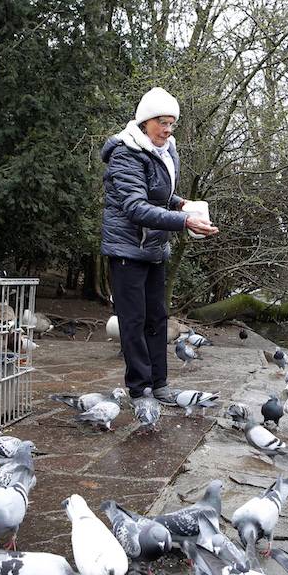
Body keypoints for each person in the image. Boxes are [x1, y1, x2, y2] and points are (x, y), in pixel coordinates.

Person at [100, 87, 218, 405]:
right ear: (145, 121)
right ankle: (139, 389)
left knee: (158, 318)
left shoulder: (166, 150)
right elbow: (136, 206)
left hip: (154, 248)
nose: (167, 129)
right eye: (162, 123)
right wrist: (184, 222)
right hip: (126, 250)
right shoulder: (126, 153)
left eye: (172, 123)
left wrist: (181, 205)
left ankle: (160, 383)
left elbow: (160, 195)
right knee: (133, 321)